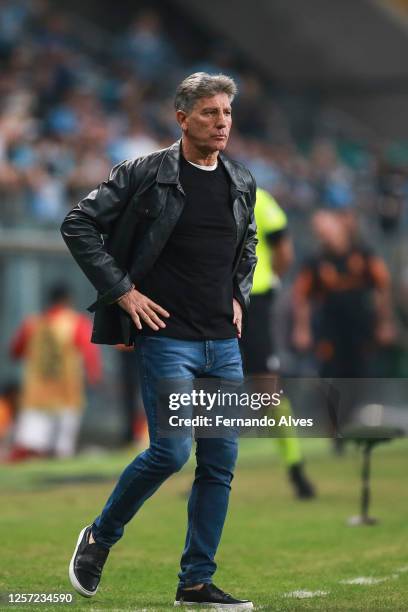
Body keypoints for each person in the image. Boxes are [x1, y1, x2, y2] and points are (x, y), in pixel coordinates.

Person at [61, 72, 257, 609]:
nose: (222, 123)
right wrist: (123, 292)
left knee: (219, 464)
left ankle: (195, 583)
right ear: (182, 116)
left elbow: (248, 245)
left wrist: (240, 296)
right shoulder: (145, 173)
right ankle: (100, 537)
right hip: (167, 338)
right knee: (171, 453)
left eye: (227, 114)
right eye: (211, 113)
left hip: (223, 342)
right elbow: (77, 222)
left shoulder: (241, 180)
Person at [292, 210, 395, 440]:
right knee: (331, 378)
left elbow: (383, 288)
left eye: (326, 228)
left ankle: (353, 421)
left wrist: (385, 323)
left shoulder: (364, 255)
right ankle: (333, 428)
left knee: (359, 376)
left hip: (360, 329)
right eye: (318, 231)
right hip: (329, 331)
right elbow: (301, 297)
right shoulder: (315, 262)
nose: (323, 234)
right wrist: (302, 329)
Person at [241, 188, 315, 498]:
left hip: (253, 302)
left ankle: (295, 465)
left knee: (266, 388)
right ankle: (208, 472)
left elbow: (283, 251)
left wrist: (266, 279)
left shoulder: (258, 197)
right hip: (215, 300)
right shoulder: (204, 191)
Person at [9, 285, 102, 460]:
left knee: (28, 450)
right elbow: (89, 353)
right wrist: (93, 376)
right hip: (67, 395)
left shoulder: (32, 324)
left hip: (37, 396)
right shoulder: (77, 323)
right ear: (68, 300)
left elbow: (14, 352)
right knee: (61, 452)